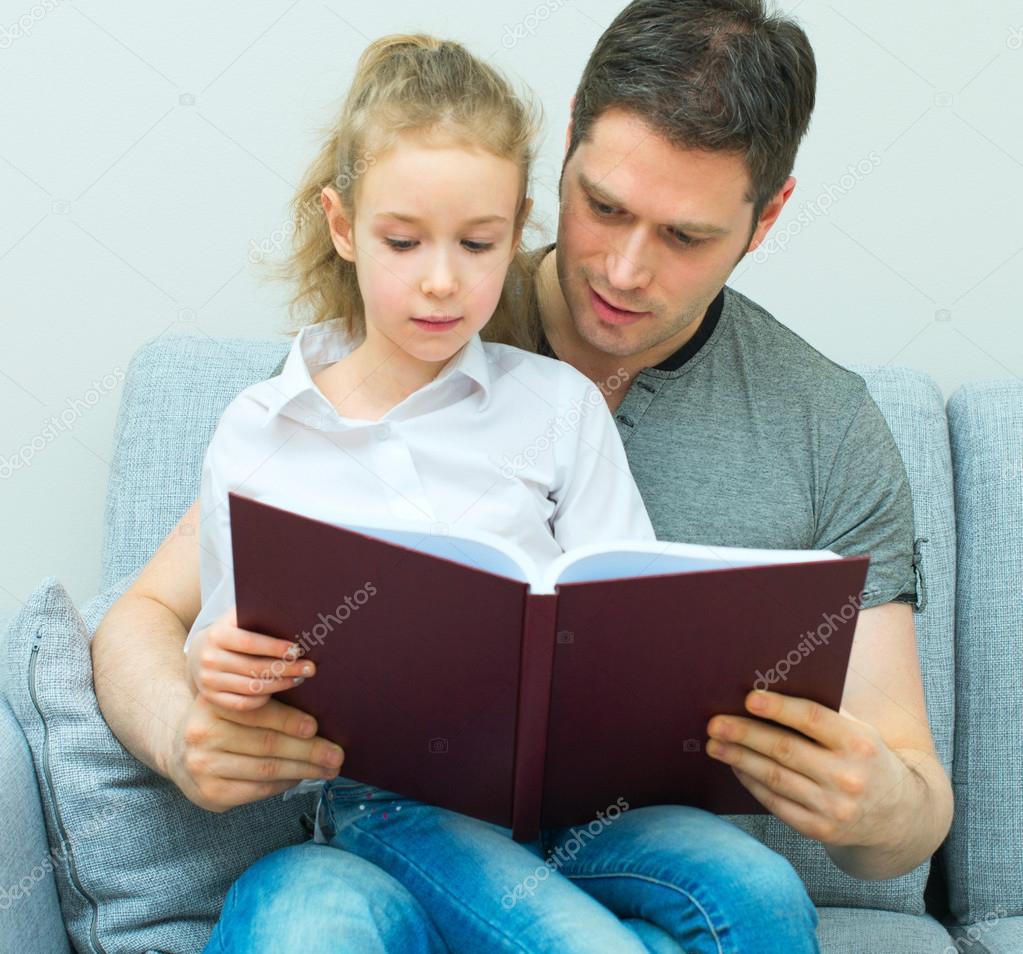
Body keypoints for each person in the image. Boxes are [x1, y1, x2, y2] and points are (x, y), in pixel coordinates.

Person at [93, 2, 954, 952]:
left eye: (684, 236)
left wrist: (879, 806)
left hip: (599, 820)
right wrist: (186, 725)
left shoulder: (818, 426)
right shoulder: (345, 383)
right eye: (606, 207)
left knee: (754, 891)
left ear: (768, 215)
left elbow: (909, 800)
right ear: (568, 145)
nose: (624, 271)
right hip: (384, 814)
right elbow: (160, 616)